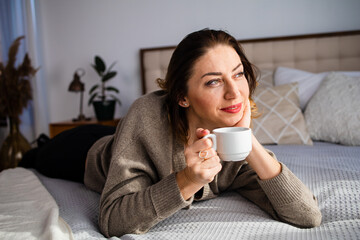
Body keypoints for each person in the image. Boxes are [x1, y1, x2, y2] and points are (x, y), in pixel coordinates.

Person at [84, 29, 322, 237]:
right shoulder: (145, 119)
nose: (234, 93)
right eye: (213, 82)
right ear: (182, 96)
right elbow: (112, 221)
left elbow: (308, 216)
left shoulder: (232, 138)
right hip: (87, 150)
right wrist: (188, 180)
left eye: (238, 74)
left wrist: (246, 140)